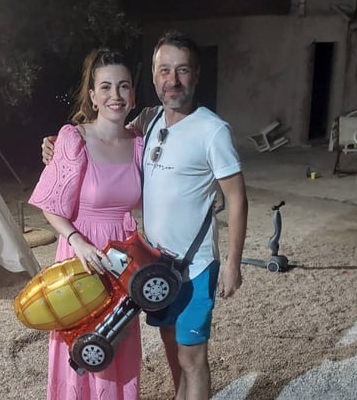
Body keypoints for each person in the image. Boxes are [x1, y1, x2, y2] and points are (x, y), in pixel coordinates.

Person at [42, 31, 248, 400]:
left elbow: (237, 198)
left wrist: (233, 264)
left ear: (196, 74)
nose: (172, 80)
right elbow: (98, 138)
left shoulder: (209, 129)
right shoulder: (149, 125)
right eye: (164, 71)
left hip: (189, 264)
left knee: (191, 358)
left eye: (182, 70)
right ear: (154, 79)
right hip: (143, 262)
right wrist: (58, 147)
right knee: (155, 347)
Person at [30, 48, 143, 400]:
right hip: (82, 255)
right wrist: (76, 240)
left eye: (123, 86)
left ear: (133, 94)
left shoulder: (139, 142)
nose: (116, 95)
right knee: (82, 344)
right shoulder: (73, 139)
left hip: (122, 259)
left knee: (118, 341)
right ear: (93, 97)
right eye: (106, 87)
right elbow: (50, 206)